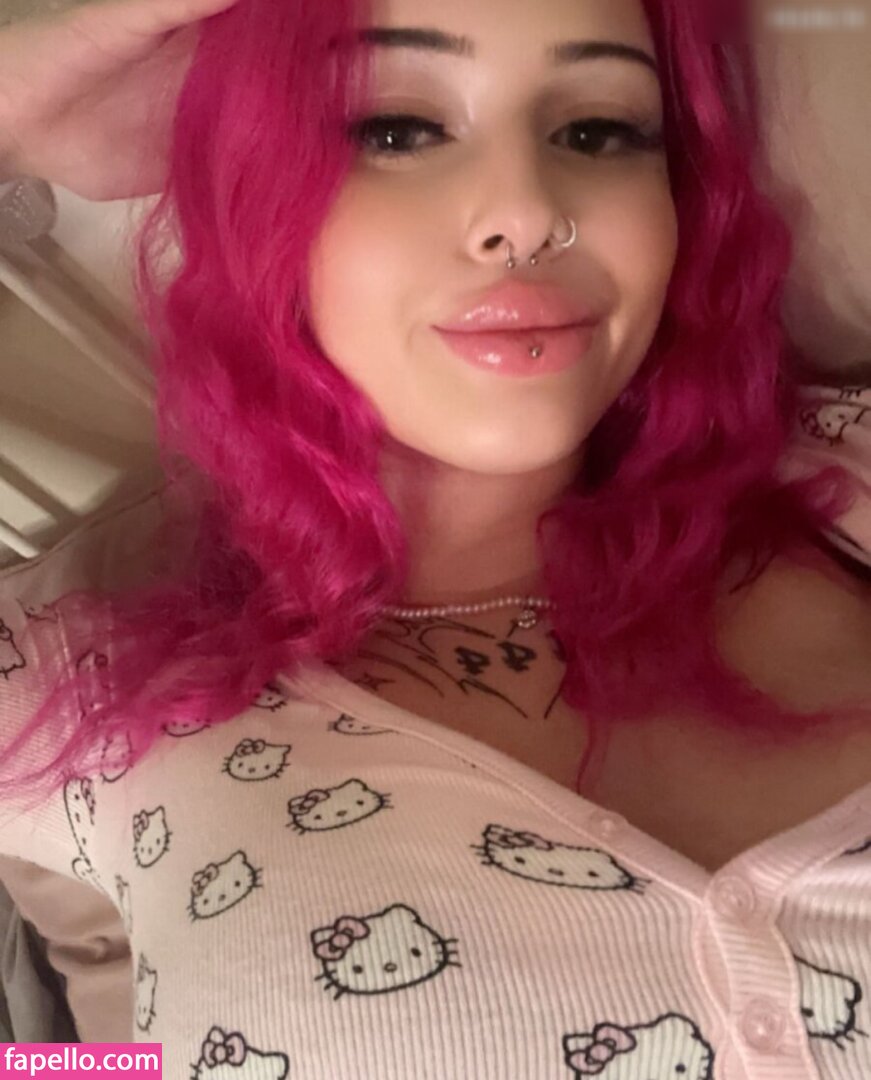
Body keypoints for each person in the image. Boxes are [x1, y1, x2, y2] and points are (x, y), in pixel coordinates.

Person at [0, 0, 870, 1076]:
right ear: (246, 192)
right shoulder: (75, 672)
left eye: (597, 130)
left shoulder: (842, 475)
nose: (525, 214)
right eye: (395, 129)